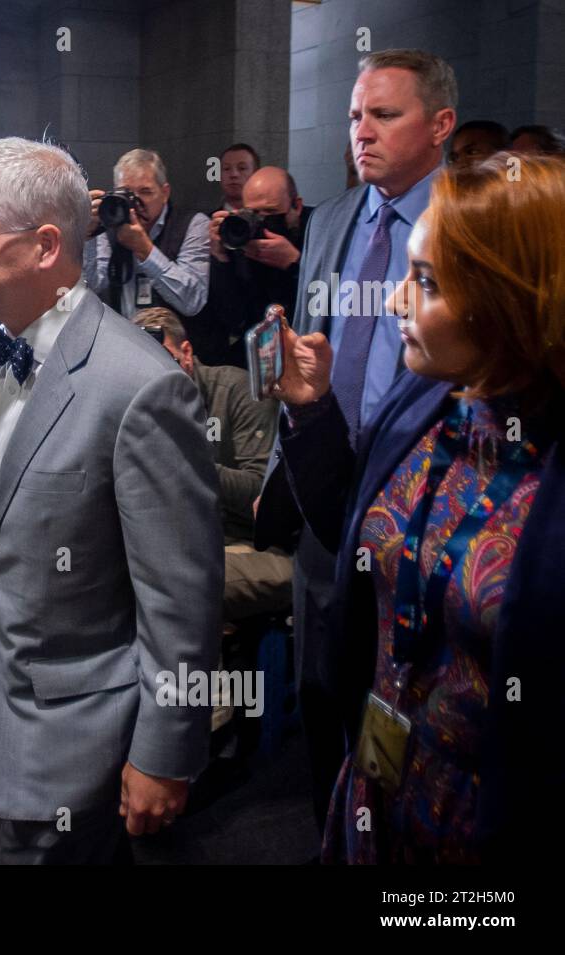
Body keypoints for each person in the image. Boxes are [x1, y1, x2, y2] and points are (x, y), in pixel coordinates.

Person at [0, 138, 223, 864]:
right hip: (5, 696)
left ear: (45, 246)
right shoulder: (0, 343)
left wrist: (166, 750)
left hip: (80, 730)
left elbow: (182, 600)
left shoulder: (140, 387)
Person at [269, 153, 565, 862]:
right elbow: (354, 526)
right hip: (379, 778)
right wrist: (311, 414)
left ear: (512, 300)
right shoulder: (430, 398)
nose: (395, 300)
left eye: (425, 282)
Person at [256, 48, 457, 830]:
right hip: (322, 503)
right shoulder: (333, 219)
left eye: (384, 115)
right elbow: (317, 345)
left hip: (417, 513)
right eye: (352, 116)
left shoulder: (469, 225)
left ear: (439, 125)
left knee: (405, 729)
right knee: (323, 700)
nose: (360, 133)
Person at [132, 307, 289, 622]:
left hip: (257, 545)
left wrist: (186, 461)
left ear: (187, 352)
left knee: (178, 587)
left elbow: (261, 495)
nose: (157, 378)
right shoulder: (137, 405)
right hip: (183, 544)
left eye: (167, 362)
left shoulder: (238, 392)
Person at [197, 166, 312, 366]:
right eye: (253, 213)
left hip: (305, 349)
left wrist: (295, 263)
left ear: (297, 206)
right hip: (255, 355)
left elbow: (330, 303)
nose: (261, 222)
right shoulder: (241, 237)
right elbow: (233, 318)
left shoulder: (318, 232)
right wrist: (220, 256)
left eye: (271, 212)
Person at [82, 148, 210, 322]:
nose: (134, 202)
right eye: (126, 193)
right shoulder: (109, 221)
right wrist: (87, 233)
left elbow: (193, 300)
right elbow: (93, 286)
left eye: (145, 192)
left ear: (165, 193)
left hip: (176, 344)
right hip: (123, 339)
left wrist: (145, 250)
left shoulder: (194, 224)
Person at [217, 143, 260, 213]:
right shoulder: (206, 222)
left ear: (256, 174)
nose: (234, 174)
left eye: (242, 168)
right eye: (226, 168)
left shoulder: (268, 221)